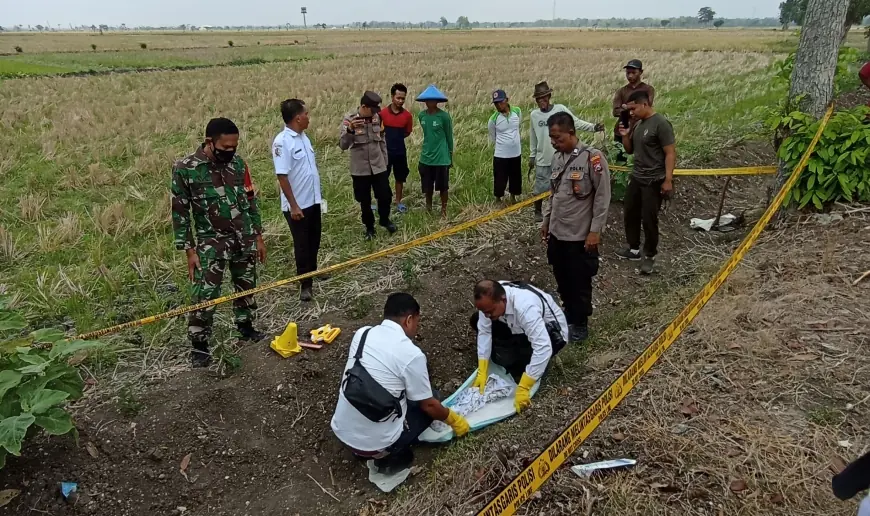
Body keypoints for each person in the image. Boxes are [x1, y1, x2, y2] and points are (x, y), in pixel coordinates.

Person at [331, 293, 470, 474]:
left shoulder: (362, 334)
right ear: (409, 320)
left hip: (342, 432)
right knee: (431, 399)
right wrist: (455, 420)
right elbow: (429, 406)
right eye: (417, 323)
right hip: (374, 446)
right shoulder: (411, 354)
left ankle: (369, 444)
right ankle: (390, 453)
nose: (416, 329)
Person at [171, 117, 267, 367]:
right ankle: (200, 345)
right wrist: (189, 250)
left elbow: (250, 200)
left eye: (234, 147)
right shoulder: (185, 168)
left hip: (242, 239)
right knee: (205, 295)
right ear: (209, 142)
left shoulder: (238, 165)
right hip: (209, 244)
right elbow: (180, 212)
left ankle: (245, 326)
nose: (231, 152)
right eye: (225, 148)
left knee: (246, 286)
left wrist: (258, 236)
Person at [542, 112, 611, 343]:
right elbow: (554, 194)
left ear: (571, 133)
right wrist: (546, 221)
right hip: (558, 232)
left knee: (579, 280)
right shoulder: (557, 159)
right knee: (562, 276)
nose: (553, 141)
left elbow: (602, 197)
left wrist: (595, 231)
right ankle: (569, 313)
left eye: (557, 137)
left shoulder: (592, 158)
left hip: (579, 235)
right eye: (551, 137)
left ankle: (581, 322)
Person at [469, 280, 568, 414]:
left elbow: (543, 347)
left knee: (524, 364)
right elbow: (485, 331)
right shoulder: (491, 298)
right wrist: (482, 368)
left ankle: (539, 363)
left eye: (489, 311)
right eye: (484, 311)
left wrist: (525, 386)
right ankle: (515, 349)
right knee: (477, 320)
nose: (486, 315)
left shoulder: (525, 307)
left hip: (551, 334)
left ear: (503, 300)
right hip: (517, 326)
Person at [617, 90, 675, 275]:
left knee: (649, 219)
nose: (631, 113)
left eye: (633, 108)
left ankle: (649, 255)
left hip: (653, 180)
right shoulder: (638, 125)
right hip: (637, 177)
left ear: (644, 104)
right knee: (630, 212)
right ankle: (633, 249)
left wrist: (668, 180)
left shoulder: (661, 124)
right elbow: (629, 151)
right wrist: (625, 134)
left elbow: (670, 153)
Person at [529, 81, 604, 222]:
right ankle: (537, 212)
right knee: (539, 187)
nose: (542, 101)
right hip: (542, 158)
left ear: (549, 96)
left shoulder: (560, 110)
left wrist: (593, 127)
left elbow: (575, 122)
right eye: (539, 99)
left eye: (544, 97)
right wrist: (532, 155)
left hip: (559, 158)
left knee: (560, 186)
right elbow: (533, 136)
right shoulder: (534, 115)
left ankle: (557, 211)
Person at [273, 98, 322, 303]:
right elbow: (282, 176)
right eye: (306, 114)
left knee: (314, 240)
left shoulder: (304, 137)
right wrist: (293, 205)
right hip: (297, 206)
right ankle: (305, 284)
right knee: (302, 244)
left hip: (313, 201)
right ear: (298, 118)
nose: (309, 117)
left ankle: (312, 271)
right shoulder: (282, 142)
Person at [339, 91, 398, 240]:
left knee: (385, 196)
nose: (374, 113)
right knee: (364, 201)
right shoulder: (349, 120)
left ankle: (384, 219)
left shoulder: (377, 118)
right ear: (364, 106)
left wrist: (385, 162)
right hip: (360, 170)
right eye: (372, 109)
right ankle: (369, 228)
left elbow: (382, 140)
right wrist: (350, 130)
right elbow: (343, 145)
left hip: (378, 166)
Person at [416, 84, 454, 217]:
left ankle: (444, 210)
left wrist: (450, 155)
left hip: (441, 157)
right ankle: (429, 207)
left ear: (437, 102)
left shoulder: (444, 117)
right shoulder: (422, 116)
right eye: (427, 100)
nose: (429, 103)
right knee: (427, 186)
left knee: (443, 186)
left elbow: (449, 136)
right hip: (426, 156)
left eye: (432, 100)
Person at [612, 59, 656, 164]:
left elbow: (646, 108)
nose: (630, 76)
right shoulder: (622, 91)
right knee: (621, 160)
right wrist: (631, 108)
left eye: (633, 72)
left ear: (641, 72)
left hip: (639, 129)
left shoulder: (648, 89)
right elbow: (615, 112)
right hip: (622, 129)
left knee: (639, 159)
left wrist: (625, 107)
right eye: (628, 73)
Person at [379, 83, 414, 213]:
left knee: (400, 178)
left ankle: (398, 201)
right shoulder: (382, 114)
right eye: (398, 98)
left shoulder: (407, 116)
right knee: (383, 178)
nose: (400, 101)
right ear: (392, 97)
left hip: (400, 152)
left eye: (403, 98)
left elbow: (407, 132)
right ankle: (383, 200)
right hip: (385, 152)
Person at [488, 89, 522, 204]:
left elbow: (518, 127)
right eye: (495, 103)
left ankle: (513, 197)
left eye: (500, 102)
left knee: (515, 176)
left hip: (516, 152)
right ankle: (498, 198)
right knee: (500, 178)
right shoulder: (493, 119)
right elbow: (493, 137)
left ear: (506, 100)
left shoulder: (517, 111)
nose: (498, 105)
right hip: (501, 154)